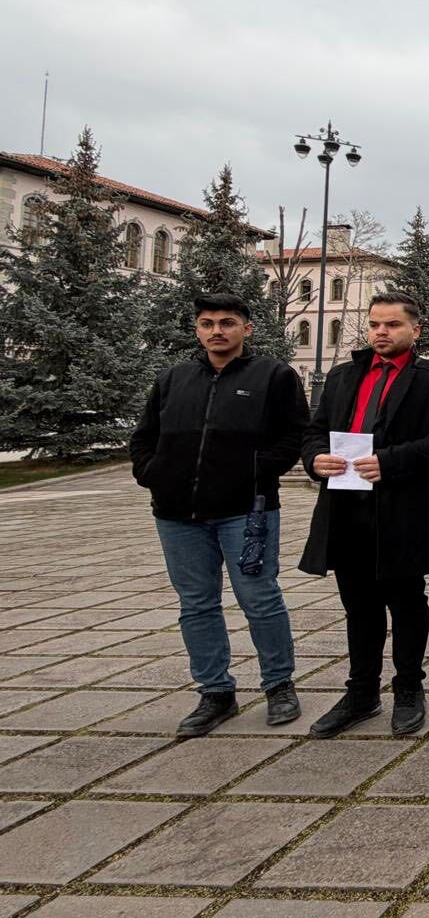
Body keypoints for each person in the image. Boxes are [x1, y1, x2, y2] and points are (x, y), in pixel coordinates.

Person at [129, 293, 308, 737]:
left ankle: (279, 684)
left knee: (260, 598)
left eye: (227, 322)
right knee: (196, 604)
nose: (216, 331)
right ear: (197, 329)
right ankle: (215, 692)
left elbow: (294, 436)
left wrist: (254, 471)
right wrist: (153, 473)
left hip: (247, 511)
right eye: (207, 323)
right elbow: (144, 436)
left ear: (246, 329)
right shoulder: (174, 378)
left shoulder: (274, 376)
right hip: (177, 514)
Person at [300, 292, 429, 738]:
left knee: (407, 603)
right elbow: (314, 433)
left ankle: (409, 689)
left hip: (403, 508)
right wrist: (316, 461)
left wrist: (390, 462)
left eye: (391, 325)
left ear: (415, 329)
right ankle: (361, 692)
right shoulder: (342, 376)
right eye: (375, 324)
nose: (381, 332)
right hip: (345, 506)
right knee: (359, 606)